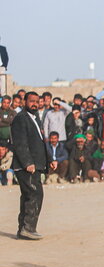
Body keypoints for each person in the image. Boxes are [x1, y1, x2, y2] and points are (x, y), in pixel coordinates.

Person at [10, 91, 55, 240]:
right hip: (26, 166)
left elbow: (41, 142)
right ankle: (28, 228)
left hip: (36, 164)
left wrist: (50, 159)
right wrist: (27, 162)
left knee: (29, 196)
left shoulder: (36, 118)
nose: (35, 104)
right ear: (24, 102)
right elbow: (20, 143)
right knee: (35, 194)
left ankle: (23, 229)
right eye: (31, 101)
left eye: (37, 101)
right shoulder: (20, 119)